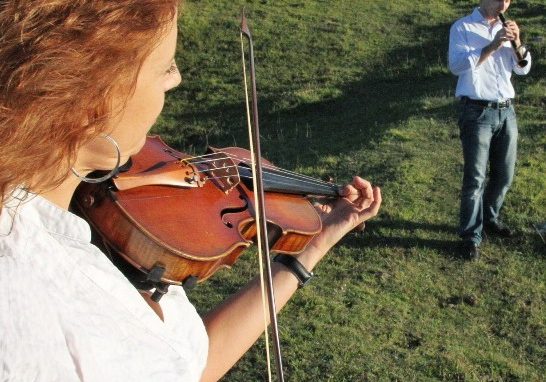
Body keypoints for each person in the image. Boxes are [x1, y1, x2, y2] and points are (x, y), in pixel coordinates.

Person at [0, 1, 381, 381]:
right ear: (86, 101)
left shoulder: (67, 214)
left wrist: (313, 246)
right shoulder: (27, 317)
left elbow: (188, 368)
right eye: (164, 67)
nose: (176, 79)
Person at [448, 0, 531, 260]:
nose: (503, 4)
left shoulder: (508, 27)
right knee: (475, 177)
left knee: (504, 175)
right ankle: (470, 236)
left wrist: (516, 43)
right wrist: (494, 44)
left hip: (506, 110)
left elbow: (524, 68)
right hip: (476, 111)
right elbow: (457, 66)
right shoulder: (462, 27)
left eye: (508, 0)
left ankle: (490, 219)